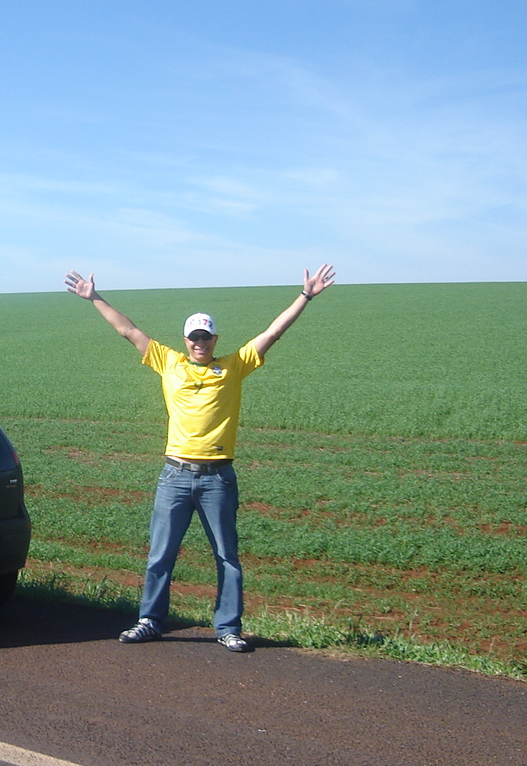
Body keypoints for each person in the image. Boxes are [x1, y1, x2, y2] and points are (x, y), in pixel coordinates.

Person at [63, 265, 336, 651]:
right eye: (194, 337)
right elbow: (128, 330)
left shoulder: (234, 366)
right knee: (160, 555)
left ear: (214, 339)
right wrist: (94, 297)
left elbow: (273, 333)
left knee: (227, 557)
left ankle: (228, 629)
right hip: (174, 475)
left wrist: (305, 296)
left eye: (205, 337)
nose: (199, 343)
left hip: (217, 479)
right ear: (186, 340)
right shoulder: (167, 362)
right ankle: (149, 620)